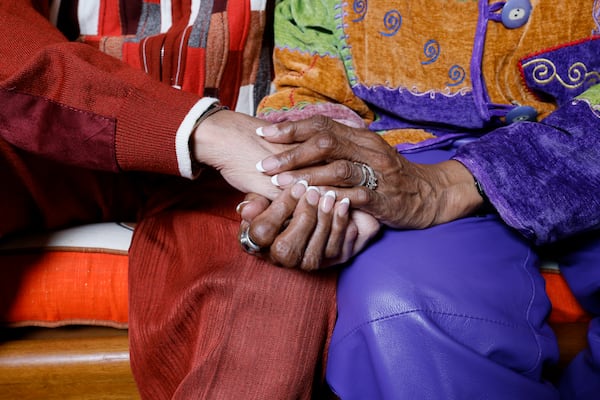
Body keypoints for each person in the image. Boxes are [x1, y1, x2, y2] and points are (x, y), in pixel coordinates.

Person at [0, 1, 376, 398]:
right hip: (44, 135)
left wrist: (319, 155)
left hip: (250, 157)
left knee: (282, 260)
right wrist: (199, 127)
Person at [237, 0, 600, 398]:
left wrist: (451, 186)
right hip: (407, 150)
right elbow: (312, 82)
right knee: (399, 309)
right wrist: (312, 183)